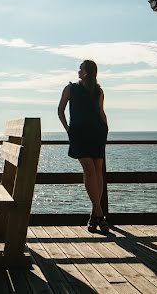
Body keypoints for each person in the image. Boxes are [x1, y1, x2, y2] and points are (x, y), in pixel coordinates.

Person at [57, 59, 109, 232]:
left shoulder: (98, 91)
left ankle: (95, 215)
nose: (78, 71)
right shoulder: (71, 88)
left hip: (97, 133)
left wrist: (106, 129)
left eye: (81, 69)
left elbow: (101, 111)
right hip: (79, 134)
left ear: (86, 72)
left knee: (97, 169)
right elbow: (60, 110)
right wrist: (68, 129)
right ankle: (100, 214)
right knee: (89, 169)